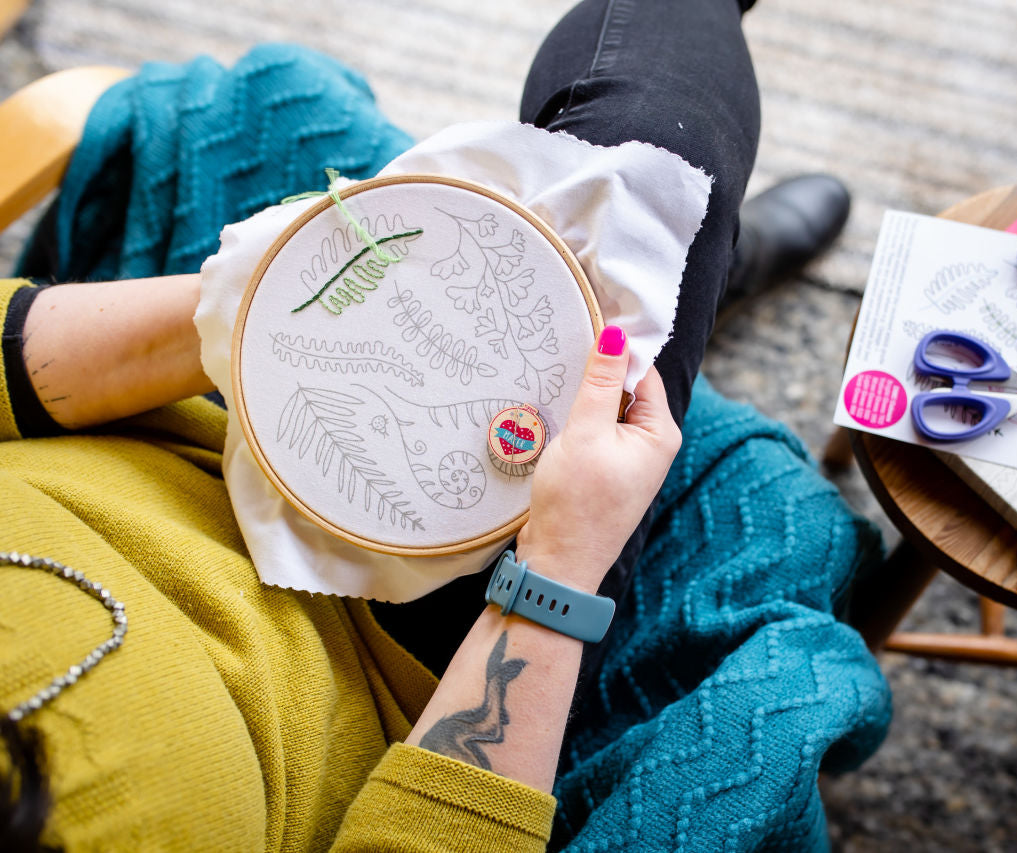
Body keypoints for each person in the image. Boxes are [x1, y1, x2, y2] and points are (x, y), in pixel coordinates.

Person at [1, 1, 888, 850]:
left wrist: (237, 307)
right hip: (420, 652)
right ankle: (707, 267)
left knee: (632, 164)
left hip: (203, 425)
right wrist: (560, 564)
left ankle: (703, 272)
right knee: (664, 151)